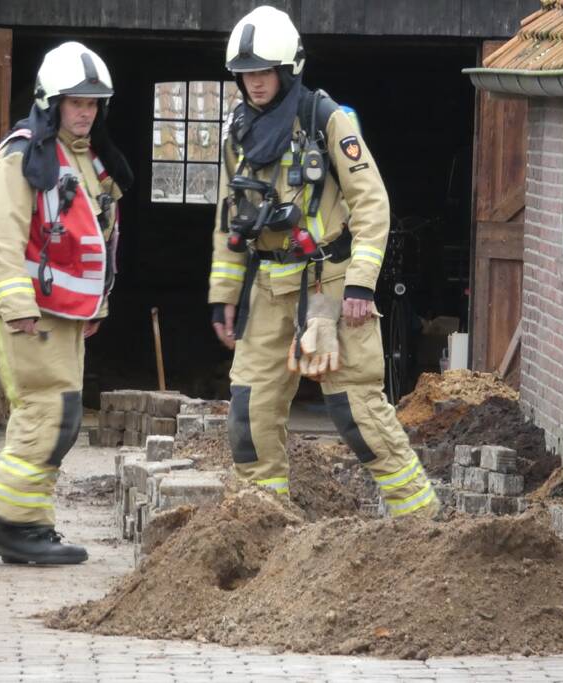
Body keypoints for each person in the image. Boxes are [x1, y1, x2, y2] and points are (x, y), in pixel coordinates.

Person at [208, 6, 438, 518]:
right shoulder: (236, 133)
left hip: (326, 287)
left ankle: (421, 521)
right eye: (245, 73)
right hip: (265, 289)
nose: (254, 82)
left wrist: (360, 285)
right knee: (249, 412)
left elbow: (372, 204)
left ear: (287, 69)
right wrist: (224, 296)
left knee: (355, 411)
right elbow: (228, 220)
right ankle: (265, 520)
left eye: (264, 71)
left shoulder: (326, 120)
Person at [0, 42, 132, 564]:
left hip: (62, 311)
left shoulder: (83, 157)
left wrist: (95, 306)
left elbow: (95, 237)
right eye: (76, 102)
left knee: (60, 417)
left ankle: (32, 526)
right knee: (48, 412)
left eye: (93, 103)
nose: (86, 112)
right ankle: (12, 526)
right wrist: (17, 304)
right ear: (51, 101)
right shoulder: (22, 154)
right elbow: (2, 234)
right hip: (26, 311)